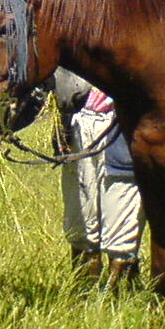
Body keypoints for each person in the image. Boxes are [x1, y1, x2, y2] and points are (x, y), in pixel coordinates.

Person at [56, 71, 144, 289]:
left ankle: (119, 298)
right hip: (78, 123)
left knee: (121, 225)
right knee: (81, 224)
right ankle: (82, 294)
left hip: (120, 126)